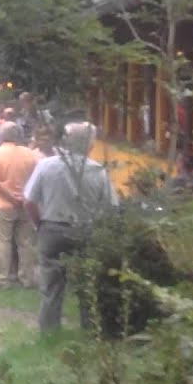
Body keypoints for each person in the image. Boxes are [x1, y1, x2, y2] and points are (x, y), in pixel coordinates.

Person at [24, 122, 118, 332]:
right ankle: (89, 328)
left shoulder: (47, 166)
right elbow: (111, 206)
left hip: (51, 228)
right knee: (86, 282)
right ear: (90, 145)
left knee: (50, 285)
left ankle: (49, 331)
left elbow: (29, 200)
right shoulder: (97, 171)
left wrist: (39, 223)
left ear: (65, 141)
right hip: (85, 230)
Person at [0, 122, 39, 289]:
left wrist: (10, 196)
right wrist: (23, 197)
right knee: (25, 243)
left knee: (3, 242)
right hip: (25, 204)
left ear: (2, 136)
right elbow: (35, 178)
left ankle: (2, 278)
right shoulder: (29, 154)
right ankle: (27, 278)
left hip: (2, 204)